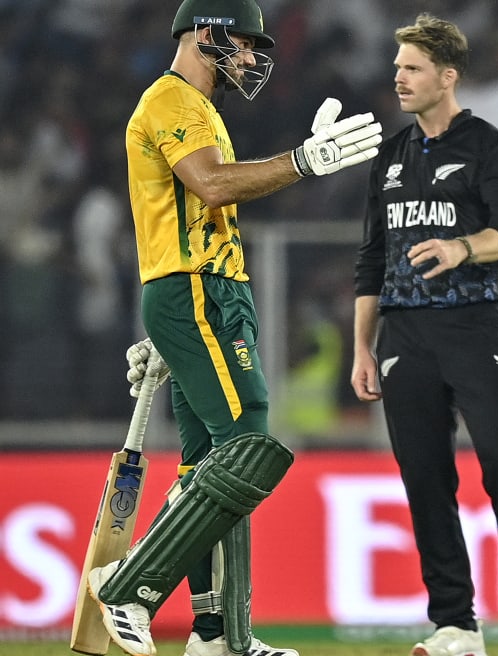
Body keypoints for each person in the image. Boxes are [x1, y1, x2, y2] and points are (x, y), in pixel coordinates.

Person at [85, 2, 382, 656]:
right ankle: (130, 586)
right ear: (205, 33)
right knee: (247, 440)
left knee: (212, 463)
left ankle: (221, 636)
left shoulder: (199, 107)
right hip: (197, 288)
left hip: (201, 290)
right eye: (244, 45)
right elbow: (212, 185)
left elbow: (200, 199)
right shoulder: (173, 101)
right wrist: (303, 160)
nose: (251, 59)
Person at [350, 13, 498, 656]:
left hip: (475, 327)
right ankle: (454, 623)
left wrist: (463, 247)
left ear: (448, 76)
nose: (400, 79)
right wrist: (363, 345)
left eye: (412, 68)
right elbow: (371, 259)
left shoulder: (489, 146)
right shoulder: (390, 155)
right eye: (396, 69)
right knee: (425, 478)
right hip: (405, 340)